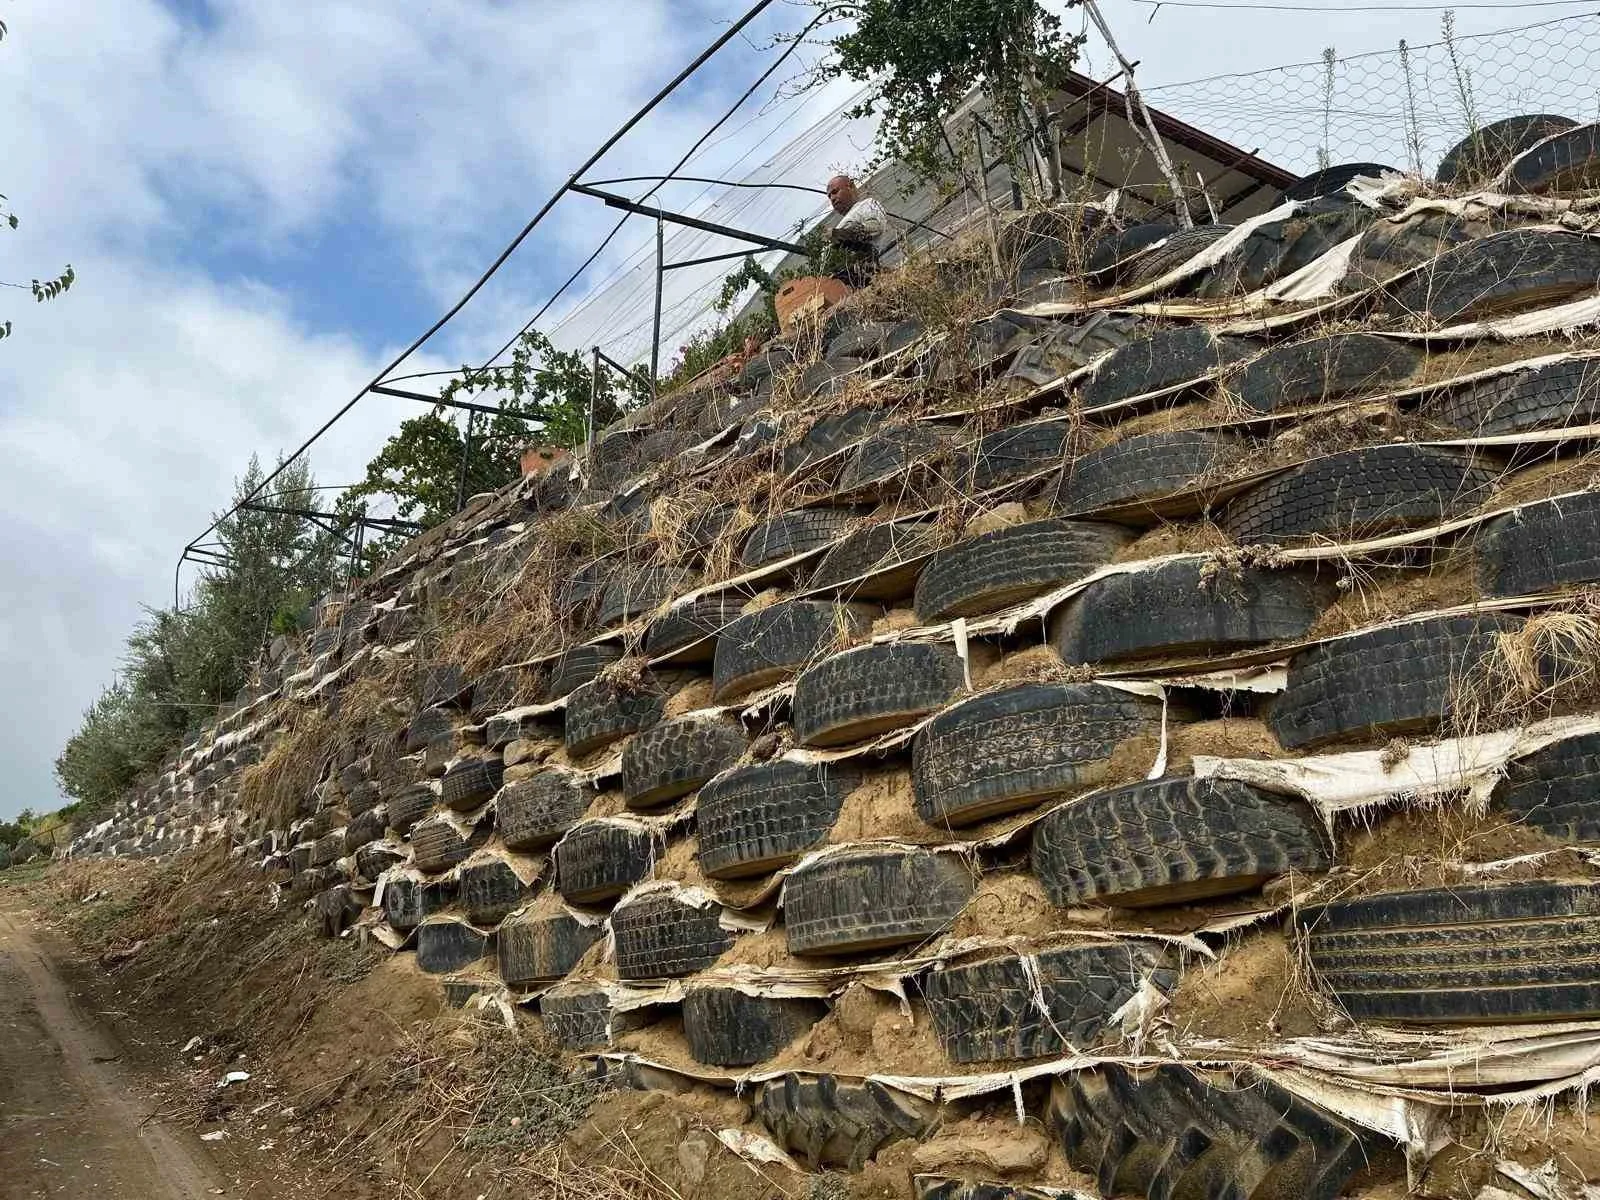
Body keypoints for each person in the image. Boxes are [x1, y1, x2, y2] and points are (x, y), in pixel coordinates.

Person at [824, 174, 888, 288]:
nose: (832, 198)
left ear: (851, 186)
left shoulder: (867, 204)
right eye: (829, 196)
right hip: (839, 284)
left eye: (835, 192)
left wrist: (841, 234)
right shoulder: (839, 224)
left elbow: (874, 228)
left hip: (863, 273)